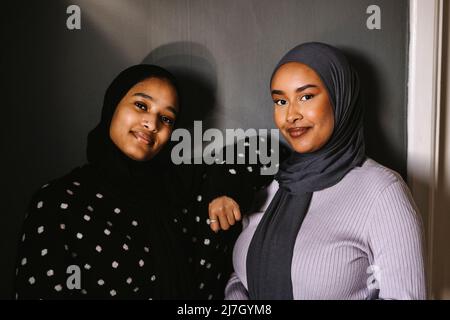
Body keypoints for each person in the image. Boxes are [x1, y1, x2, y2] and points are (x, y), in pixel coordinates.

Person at [225, 42, 426, 300]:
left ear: (339, 96)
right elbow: (240, 276)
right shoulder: (273, 183)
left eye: (306, 96)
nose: (291, 115)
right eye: (281, 101)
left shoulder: (382, 191)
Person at [15, 64, 194, 299]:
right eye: (141, 105)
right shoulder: (58, 201)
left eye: (166, 118)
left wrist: (225, 189)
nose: (152, 124)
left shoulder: (176, 199)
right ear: (113, 105)